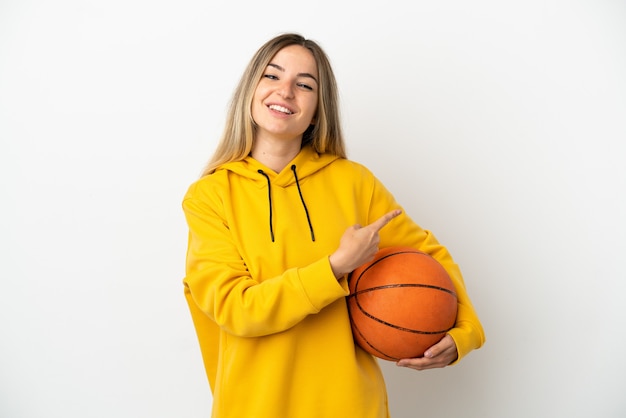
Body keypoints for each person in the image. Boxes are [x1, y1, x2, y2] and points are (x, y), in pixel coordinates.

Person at [182, 33, 485, 418]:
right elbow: (236, 309)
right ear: (251, 89)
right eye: (272, 76)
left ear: (317, 108)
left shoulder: (354, 183)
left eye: (304, 84)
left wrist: (465, 333)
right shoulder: (210, 196)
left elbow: (429, 258)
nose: (286, 91)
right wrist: (334, 268)